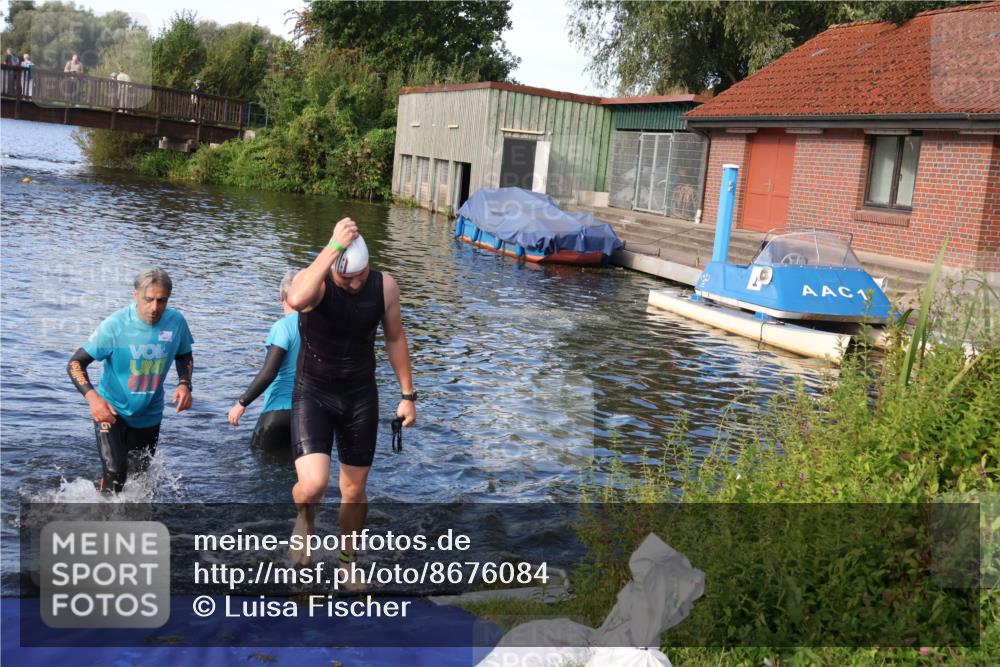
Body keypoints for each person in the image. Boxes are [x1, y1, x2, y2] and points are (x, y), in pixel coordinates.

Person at [285, 218, 416, 576]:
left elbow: (395, 338)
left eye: (361, 275)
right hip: (313, 392)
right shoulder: (316, 285)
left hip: (359, 395)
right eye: (347, 278)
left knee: (354, 490)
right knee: (313, 485)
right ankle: (305, 522)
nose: (356, 284)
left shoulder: (384, 286)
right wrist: (333, 247)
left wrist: (408, 394)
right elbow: (295, 299)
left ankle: (347, 562)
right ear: (332, 268)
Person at [67, 269, 194, 494]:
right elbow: (75, 363)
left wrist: (184, 383)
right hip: (111, 410)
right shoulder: (115, 326)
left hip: (149, 413)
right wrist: (93, 400)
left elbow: (184, 354)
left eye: (161, 301)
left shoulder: (176, 322)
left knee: (138, 479)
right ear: (135, 295)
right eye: (149, 299)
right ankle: (103, 510)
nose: (155, 308)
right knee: (116, 472)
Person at [228, 271, 300, 454]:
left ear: (282, 296)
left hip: (277, 411)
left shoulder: (283, 327)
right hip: (308, 415)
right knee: (298, 469)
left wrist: (242, 403)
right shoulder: (318, 326)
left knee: (259, 462)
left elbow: (269, 372)